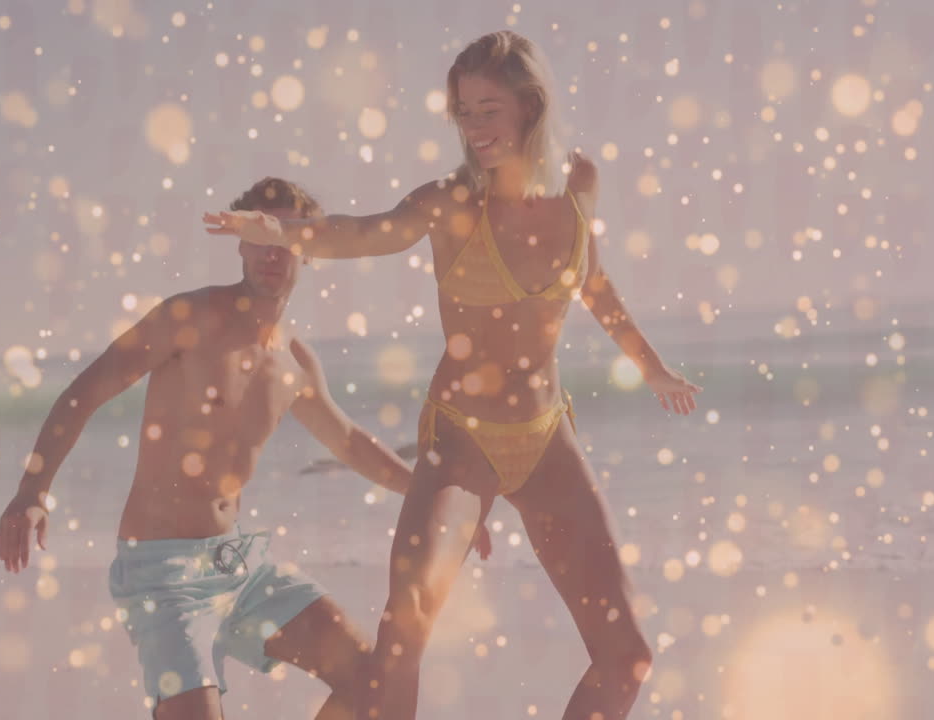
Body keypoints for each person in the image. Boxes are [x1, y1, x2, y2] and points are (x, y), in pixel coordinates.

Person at [204, 31, 702, 720]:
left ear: (530, 106)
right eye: (463, 111)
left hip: (545, 435)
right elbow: (365, 232)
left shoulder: (579, 183)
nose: (473, 128)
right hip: (462, 437)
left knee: (628, 657)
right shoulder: (452, 203)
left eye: (487, 109)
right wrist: (279, 230)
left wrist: (653, 368)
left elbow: (595, 284)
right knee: (404, 624)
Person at [0, 177, 491, 720]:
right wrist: (32, 490)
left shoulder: (296, 362)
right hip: (162, 574)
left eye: (285, 235)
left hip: (241, 566)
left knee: (373, 683)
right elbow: (84, 391)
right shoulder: (188, 319)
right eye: (259, 234)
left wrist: (439, 499)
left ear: (310, 246)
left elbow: (350, 442)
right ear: (238, 242)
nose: (272, 251)